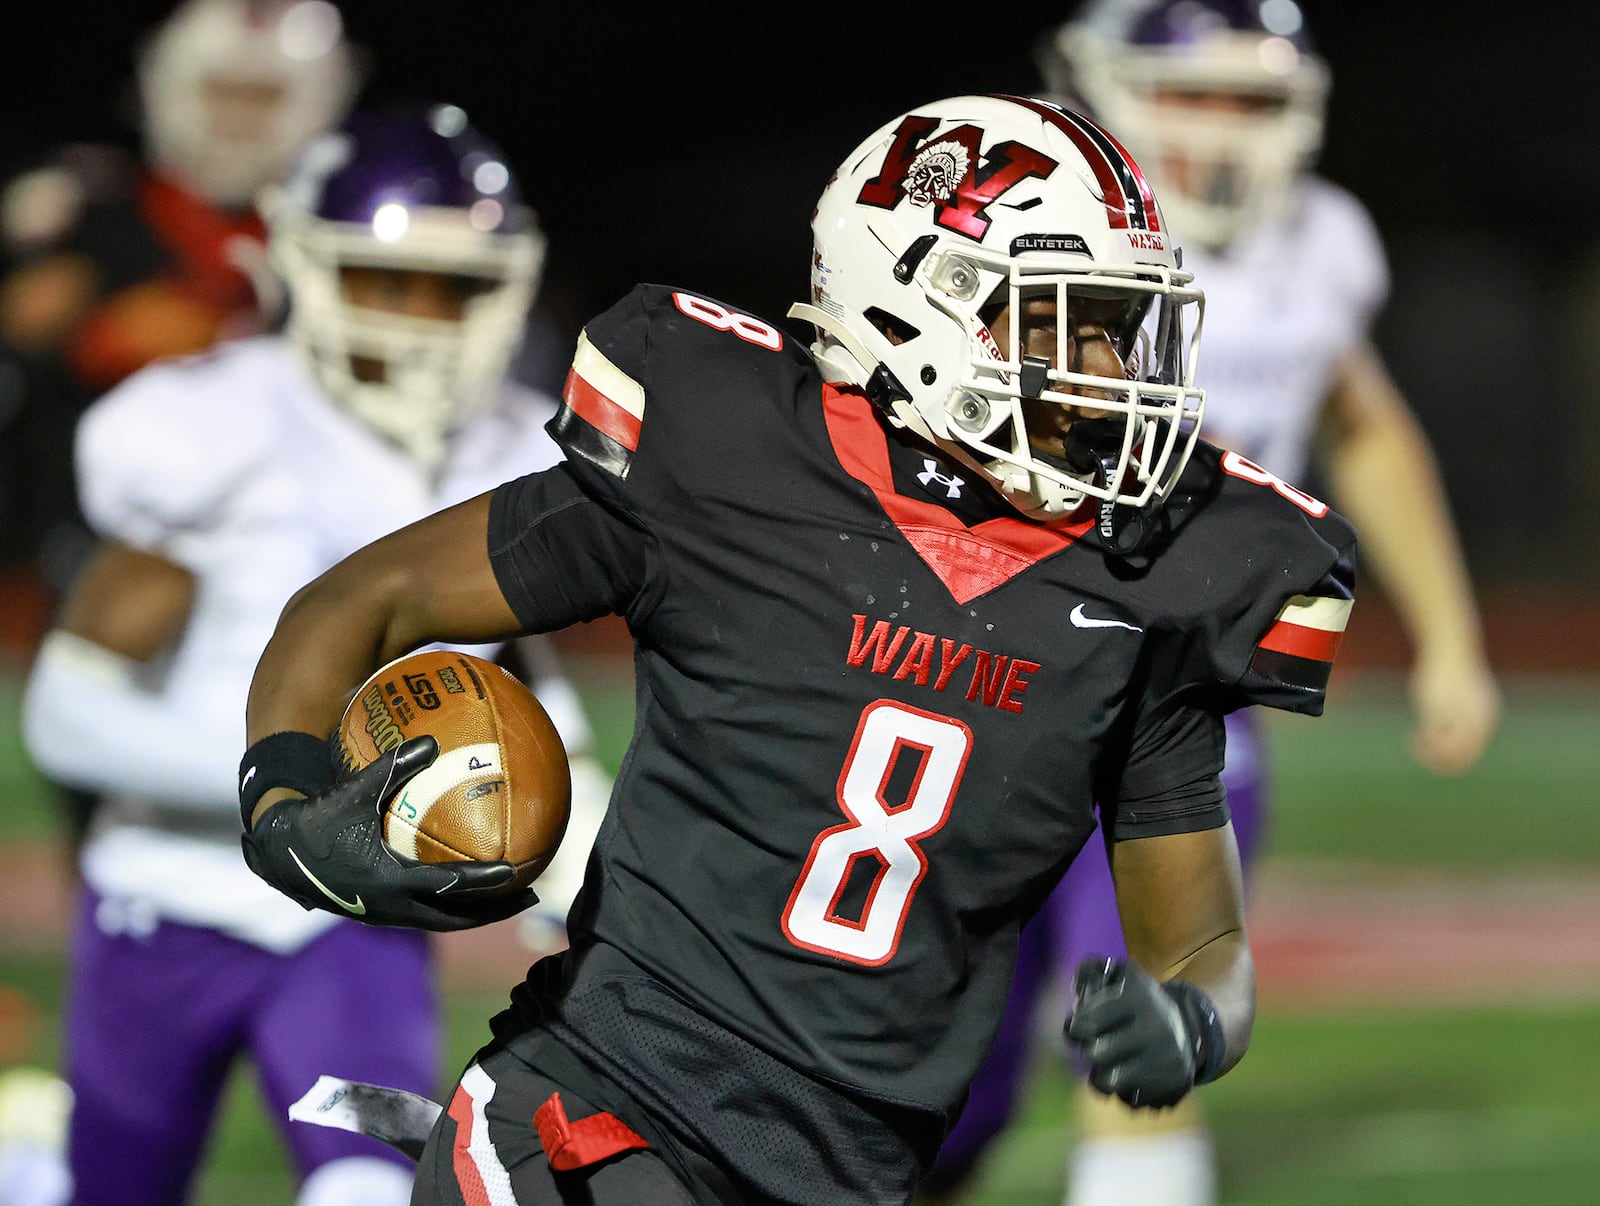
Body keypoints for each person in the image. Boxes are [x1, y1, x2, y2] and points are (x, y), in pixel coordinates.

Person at [235, 93, 1358, 1204]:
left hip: (853, 1173)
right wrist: (282, 793)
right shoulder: (725, 461)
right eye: (1058, 324)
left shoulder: (1148, 583)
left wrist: (1195, 1019)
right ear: (922, 307)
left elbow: (1202, 936)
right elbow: (364, 599)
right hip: (595, 1117)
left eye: (1114, 327)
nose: (1109, 371)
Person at [923, 5, 1502, 1204]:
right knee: (933, 1082)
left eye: (1252, 99)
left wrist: (1449, 638)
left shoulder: (1321, 240)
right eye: (1195, 94)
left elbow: (1364, 422)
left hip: (1186, 725)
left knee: (1147, 1047)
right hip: (997, 704)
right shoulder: (1025, 227)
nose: (1226, 130)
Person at [19, 104, 608, 1205]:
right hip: (167, 902)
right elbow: (64, 713)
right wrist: (309, 786)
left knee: (370, 1189)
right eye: (390, 281)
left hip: (350, 922)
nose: (422, 318)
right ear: (303, 265)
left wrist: (583, 873)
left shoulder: (513, 444)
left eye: (454, 285)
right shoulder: (209, 427)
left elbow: (517, 690)